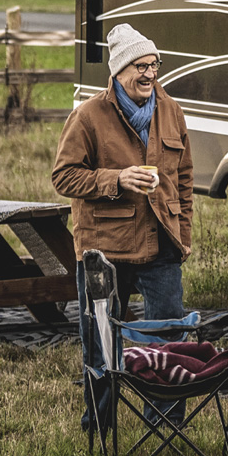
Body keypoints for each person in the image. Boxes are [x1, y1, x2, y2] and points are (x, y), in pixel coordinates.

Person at [51, 21, 193, 321]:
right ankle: (107, 372)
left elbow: (184, 178)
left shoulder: (171, 111)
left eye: (154, 65)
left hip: (161, 242)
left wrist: (185, 235)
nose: (150, 74)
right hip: (106, 247)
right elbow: (63, 176)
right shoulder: (88, 116)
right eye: (141, 66)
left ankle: (160, 370)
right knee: (101, 338)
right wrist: (116, 178)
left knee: (170, 333)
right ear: (119, 71)